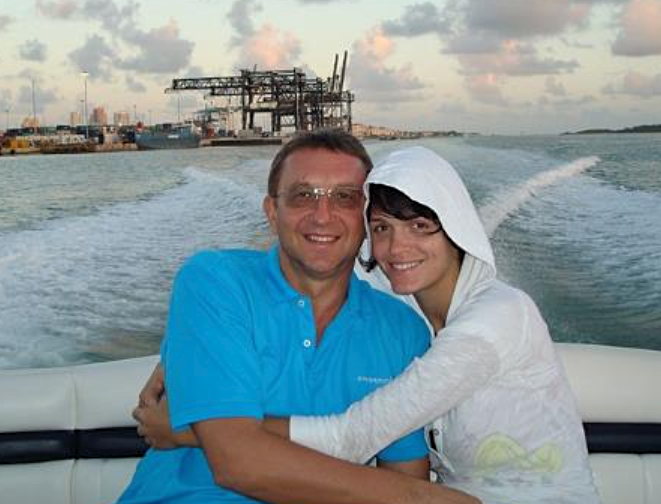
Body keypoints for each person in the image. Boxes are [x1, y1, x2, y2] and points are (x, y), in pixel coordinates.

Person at [137, 146, 601, 504]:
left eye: (421, 226)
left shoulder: (484, 320)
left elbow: (353, 437)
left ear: (457, 226)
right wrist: (187, 355)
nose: (398, 248)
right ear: (272, 211)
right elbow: (313, 270)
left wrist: (192, 427)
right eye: (382, 228)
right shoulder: (403, 311)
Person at [118, 131, 478, 504]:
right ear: (272, 213)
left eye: (344, 197)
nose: (322, 216)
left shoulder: (401, 330)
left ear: (366, 220)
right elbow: (237, 462)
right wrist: (424, 499)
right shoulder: (216, 282)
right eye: (303, 196)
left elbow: (403, 471)